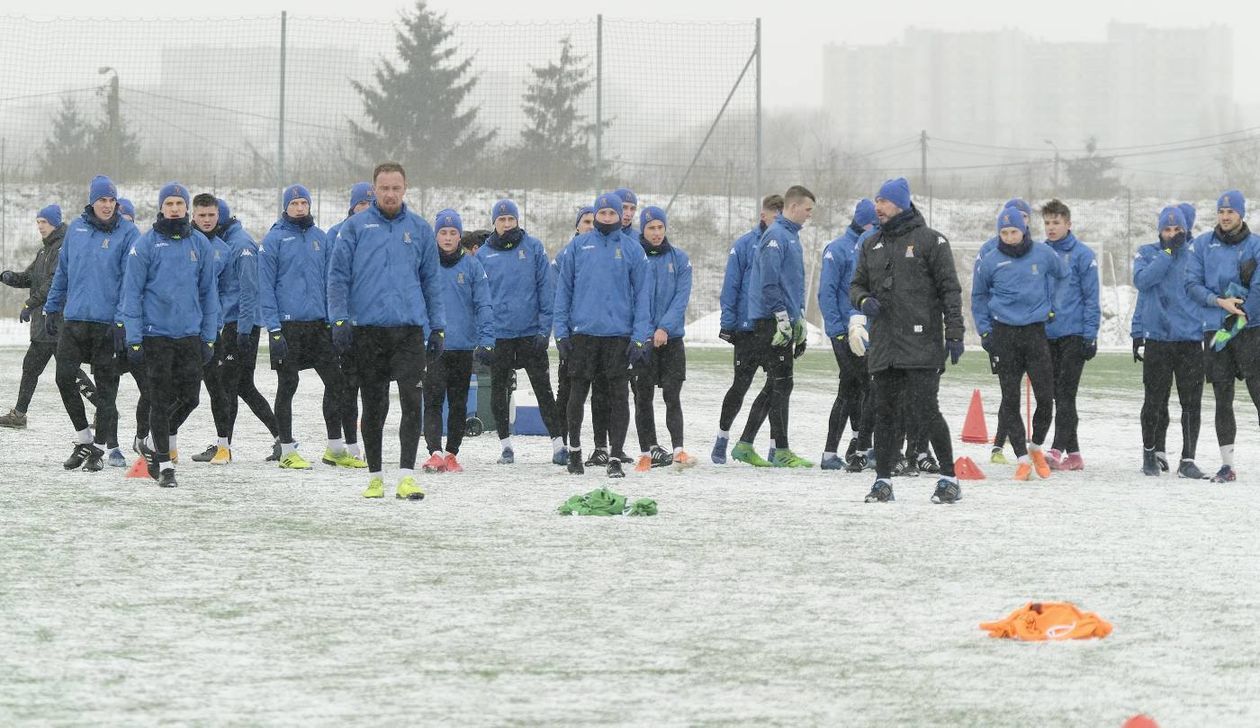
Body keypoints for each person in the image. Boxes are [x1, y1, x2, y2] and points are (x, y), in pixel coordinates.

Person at [328, 162, 444, 500]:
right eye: (384, 188)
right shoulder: (355, 228)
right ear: (374, 190)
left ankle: (406, 476)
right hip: (368, 333)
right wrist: (339, 319)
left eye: (396, 187)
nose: (390, 194)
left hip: (408, 331)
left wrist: (438, 327)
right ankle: (375, 476)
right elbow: (337, 278)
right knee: (375, 405)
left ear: (405, 188)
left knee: (412, 401)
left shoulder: (421, 230)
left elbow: (432, 282)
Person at [851, 177, 965, 504]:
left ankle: (949, 478)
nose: (878, 207)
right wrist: (862, 302)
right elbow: (855, 286)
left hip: (921, 345)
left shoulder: (932, 242)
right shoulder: (870, 244)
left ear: (900, 203)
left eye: (883, 201)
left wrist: (954, 332)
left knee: (925, 412)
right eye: (876, 200)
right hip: (885, 345)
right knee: (884, 415)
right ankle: (883, 481)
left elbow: (950, 291)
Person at [122, 182, 219, 487]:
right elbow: (132, 294)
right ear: (161, 207)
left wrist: (208, 336)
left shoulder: (200, 245)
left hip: (189, 336)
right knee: (159, 400)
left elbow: (208, 294)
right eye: (170, 203)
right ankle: (165, 465)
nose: (175, 208)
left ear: (186, 208)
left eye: (180, 203)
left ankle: (152, 441)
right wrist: (134, 338)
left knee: (191, 398)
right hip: (156, 336)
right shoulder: (145, 244)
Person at [43, 175, 139, 471]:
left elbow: (130, 283)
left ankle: (98, 449)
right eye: (102, 200)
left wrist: (123, 321)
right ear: (92, 201)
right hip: (74, 321)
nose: (107, 205)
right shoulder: (76, 229)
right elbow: (63, 272)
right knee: (63, 377)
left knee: (107, 389)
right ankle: (84, 438)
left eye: (111, 200)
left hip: (108, 325)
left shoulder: (129, 233)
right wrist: (51, 306)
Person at [554, 192, 652, 478]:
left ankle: (615, 457)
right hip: (583, 335)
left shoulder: (633, 250)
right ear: (595, 215)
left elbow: (643, 295)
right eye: (603, 213)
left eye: (613, 213)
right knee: (577, 395)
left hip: (618, 337)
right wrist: (561, 333)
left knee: (619, 398)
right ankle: (575, 452)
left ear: (620, 216)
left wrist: (639, 336)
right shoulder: (577, 247)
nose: (608, 218)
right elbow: (564, 293)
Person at [258, 184, 356, 471]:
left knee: (336, 384)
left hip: (318, 326)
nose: (300, 208)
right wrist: (273, 330)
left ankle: (335, 448)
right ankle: (287, 449)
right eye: (295, 203)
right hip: (288, 327)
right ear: (286, 207)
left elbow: (331, 282)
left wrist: (334, 319)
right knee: (288, 385)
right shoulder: (273, 240)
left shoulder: (321, 238)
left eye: (304, 203)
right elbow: (266, 288)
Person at [971, 207, 1064, 481]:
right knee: (1009, 399)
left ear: (1024, 231)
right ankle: (1022, 459)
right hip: (1004, 335)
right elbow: (978, 297)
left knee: (1046, 398)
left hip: (1035, 334)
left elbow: (1063, 276)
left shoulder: (1044, 254)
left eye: (1014, 231)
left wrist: (1051, 306)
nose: (1010, 237)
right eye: (1004, 232)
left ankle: (1036, 447)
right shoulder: (990, 260)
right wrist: (986, 332)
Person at [475, 199, 566, 465]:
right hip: (500, 336)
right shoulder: (483, 255)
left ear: (517, 221)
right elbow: (480, 300)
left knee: (543, 390)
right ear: (494, 223)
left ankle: (558, 444)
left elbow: (545, 292)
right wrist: (485, 337)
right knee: (499, 390)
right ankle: (505, 445)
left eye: (510, 219)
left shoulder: (534, 248)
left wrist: (543, 330)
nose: (506, 224)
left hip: (530, 335)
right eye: (501, 220)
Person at [732, 186, 815, 468]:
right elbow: (769, 282)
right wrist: (781, 316)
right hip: (770, 322)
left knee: (777, 385)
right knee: (781, 383)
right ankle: (780, 450)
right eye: (808, 209)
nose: (809, 215)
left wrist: (799, 316)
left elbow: (793, 282)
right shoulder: (776, 237)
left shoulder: (791, 237)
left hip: (783, 320)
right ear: (793, 207)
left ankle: (745, 444)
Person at [1185, 189, 1260, 482]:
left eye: (1231, 212)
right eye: (1221, 212)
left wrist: (1242, 312)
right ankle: (1227, 465)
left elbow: (1259, 285)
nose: (1225, 217)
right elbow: (1191, 284)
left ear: (1241, 214)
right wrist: (1219, 302)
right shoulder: (1203, 245)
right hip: (1216, 331)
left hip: (1249, 330)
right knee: (1222, 398)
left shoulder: (1255, 245)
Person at [0, 205, 94, 430]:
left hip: (57, 322)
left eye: (44, 222)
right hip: (43, 327)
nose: (40, 226)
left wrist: (29, 304)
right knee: (31, 366)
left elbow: (53, 284)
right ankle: (19, 414)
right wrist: (8, 276)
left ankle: (105, 408)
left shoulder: (62, 248)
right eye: (38, 222)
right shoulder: (44, 251)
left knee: (69, 371)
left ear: (55, 223)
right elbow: (30, 278)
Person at [1132, 206, 1208, 479]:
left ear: (1186, 231)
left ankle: (1187, 459)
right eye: (1167, 229)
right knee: (1153, 400)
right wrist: (1167, 253)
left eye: (1178, 230)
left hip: (1190, 340)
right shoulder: (1148, 252)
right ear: (1159, 230)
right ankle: (1150, 453)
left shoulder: (1197, 255)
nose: (1172, 234)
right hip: (1159, 339)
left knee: (1191, 402)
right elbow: (1142, 282)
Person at [712, 194, 784, 465]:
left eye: (781, 215)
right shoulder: (744, 245)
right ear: (762, 214)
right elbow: (731, 286)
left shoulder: (786, 243)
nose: (776, 219)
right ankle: (722, 437)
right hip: (748, 329)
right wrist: (728, 323)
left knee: (777, 388)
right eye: (772, 214)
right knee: (740, 386)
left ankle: (775, 446)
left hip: (776, 329)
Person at [421, 209, 493, 474]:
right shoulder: (425, 264)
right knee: (433, 401)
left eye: (453, 233)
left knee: (459, 403)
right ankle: (435, 452)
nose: (448, 237)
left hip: (463, 347)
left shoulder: (473, 266)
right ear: (435, 235)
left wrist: (487, 340)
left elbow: (484, 304)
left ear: (460, 236)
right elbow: (417, 302)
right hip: (434, 347)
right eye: (443, 232)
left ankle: (452, 453)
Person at [631, 206, 695, 470]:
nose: (656, 233)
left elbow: (681, 298)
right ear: (642, 230)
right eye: (651, 228)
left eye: (660, 227)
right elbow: (636, 298)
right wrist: (647, 332)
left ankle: (679, 449)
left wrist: (665, 328)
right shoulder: (635, 258)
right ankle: (646, 453)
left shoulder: (679, 258)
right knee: (642, 397)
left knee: (672, 394)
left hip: (672, 340)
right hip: (643, 340)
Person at [1040, 199, 1100, 470]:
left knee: (1065, 393)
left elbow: (1091, 297)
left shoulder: (1083, 255)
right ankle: (1074, 455)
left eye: (1056, 222)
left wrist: (1090, 333)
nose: (1051, 228)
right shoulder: (1039, 253)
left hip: (1074, 334)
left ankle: (1055, 449)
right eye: (1047, 223)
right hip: (1046, 335)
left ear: (1068, 224)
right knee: (1056, 394)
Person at [319, 182, 375, 467]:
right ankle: (340, 446)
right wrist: (335, 317)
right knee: (341, 386)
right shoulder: (335, 234)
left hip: (373, 325)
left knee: (370, 388)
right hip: (342, 323)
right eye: (361, 204)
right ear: (353, 207)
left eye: (370, 203)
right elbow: (330, 280)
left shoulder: (380, 235)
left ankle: (363, 446)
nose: (366, 209)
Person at [818, 198, 875, 470]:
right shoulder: (839, 249)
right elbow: (826, 292)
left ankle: (839, 450)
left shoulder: (871, 246)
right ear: (865, 223)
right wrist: (837, 330)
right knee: (861, 387)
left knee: (852, 388)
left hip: (864, 331)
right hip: (845, 331)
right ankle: (859, 447)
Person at [976, 197, 1032, 466]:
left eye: (1024, 216)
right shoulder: (989, 251)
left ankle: (1028, 447)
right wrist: (987, 330)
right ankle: (999, 446)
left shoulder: (1035, 250)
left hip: (1030, 331)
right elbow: (981, 292)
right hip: (1002, 330)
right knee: (1009, 392)